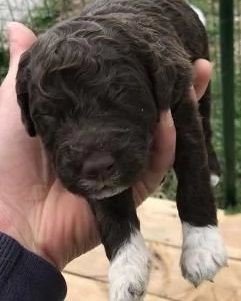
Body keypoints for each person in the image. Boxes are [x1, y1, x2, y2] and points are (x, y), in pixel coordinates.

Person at [0, 22, 212, 300]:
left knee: (198, 113)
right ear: (26, 114)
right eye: (53, 115)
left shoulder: (153, 59)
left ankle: (212, 161)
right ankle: (126, 253)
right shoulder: (35, 78)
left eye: (118, 102)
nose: (94, 161)